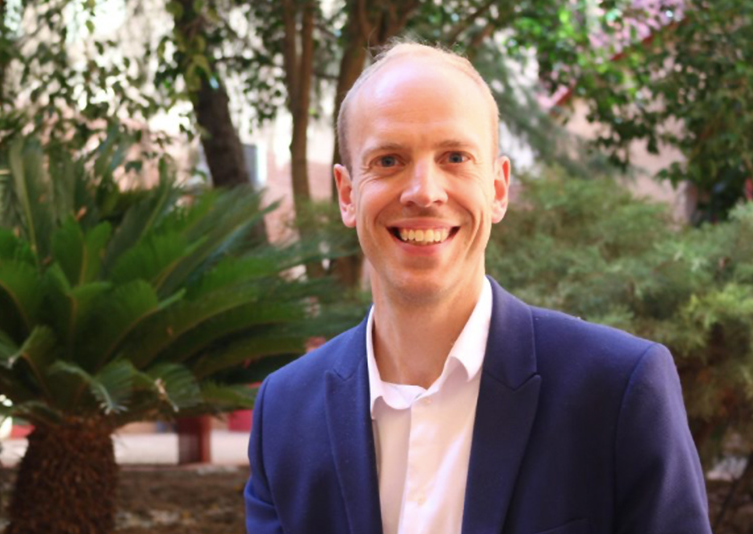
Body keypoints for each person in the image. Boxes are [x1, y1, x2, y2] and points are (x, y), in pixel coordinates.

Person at [244, 42, 712, 534]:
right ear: (346, 194)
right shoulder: (285, 412)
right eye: (388, 160)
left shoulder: (617, 391)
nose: (423, 191)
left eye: (454, 156)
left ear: (498, 188)